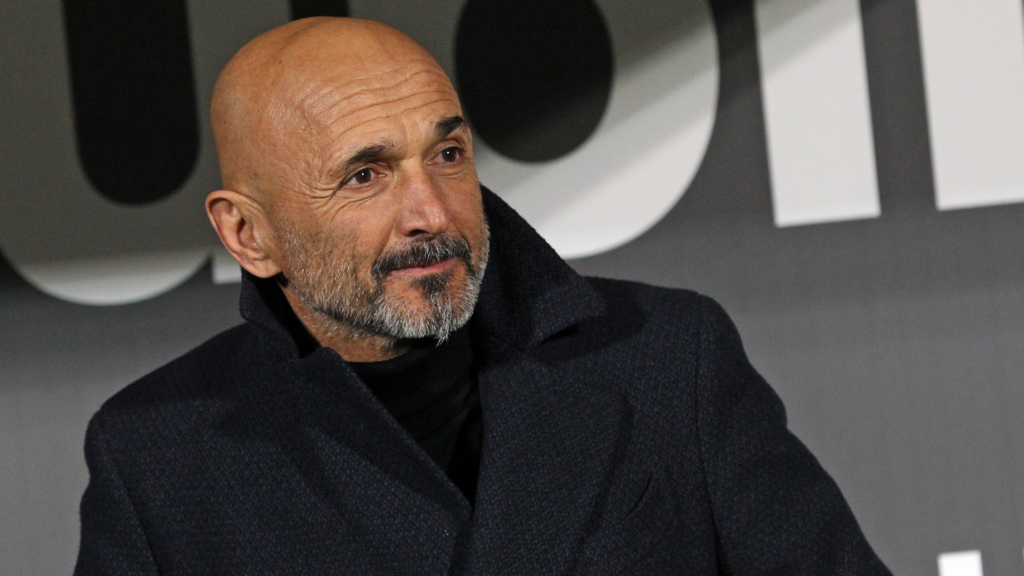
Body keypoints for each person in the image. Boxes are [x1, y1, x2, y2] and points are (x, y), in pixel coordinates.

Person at [75, 17, 891, 575]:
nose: (431, 213)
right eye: (365, 176)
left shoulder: (670, 356)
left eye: (448, 155)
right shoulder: (157, 457)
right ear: (248, 234)